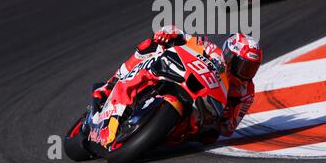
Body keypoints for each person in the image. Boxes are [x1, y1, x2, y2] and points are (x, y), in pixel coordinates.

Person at [90, 25, 263, 144]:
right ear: (228, 54)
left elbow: (229, 129)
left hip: (203, 113)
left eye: (250, 69)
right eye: (241, 65)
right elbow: (184, 37)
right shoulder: (211, 49)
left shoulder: (246, 92)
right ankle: (111, 84)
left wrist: (226, 115)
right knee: (150, 45)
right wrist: (169, 34)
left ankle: (161, 134)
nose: (244, 72)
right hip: (182, 78)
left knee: (209, 137)